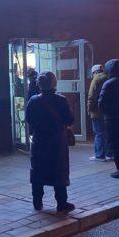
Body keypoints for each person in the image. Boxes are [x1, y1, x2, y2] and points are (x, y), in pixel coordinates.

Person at [26, 71, 75, 212]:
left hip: (39, 141)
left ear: (39, 84)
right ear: (54, 83)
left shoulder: (34, 101)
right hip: (57, 141)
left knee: (38, 171)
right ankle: (61, 203)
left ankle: (37, 202)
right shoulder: (61, 100)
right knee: (59, 171)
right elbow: (69, 119)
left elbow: (29, 119)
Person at [87, 64, 113, 162]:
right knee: (107, 132)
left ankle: (99, 155)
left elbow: (91, 95)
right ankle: (109, 154)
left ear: (95, 72)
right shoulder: (109, 78)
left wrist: (89, 109)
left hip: (97, 111)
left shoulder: (96, 80)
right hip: (107, 111)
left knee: (98, 133)